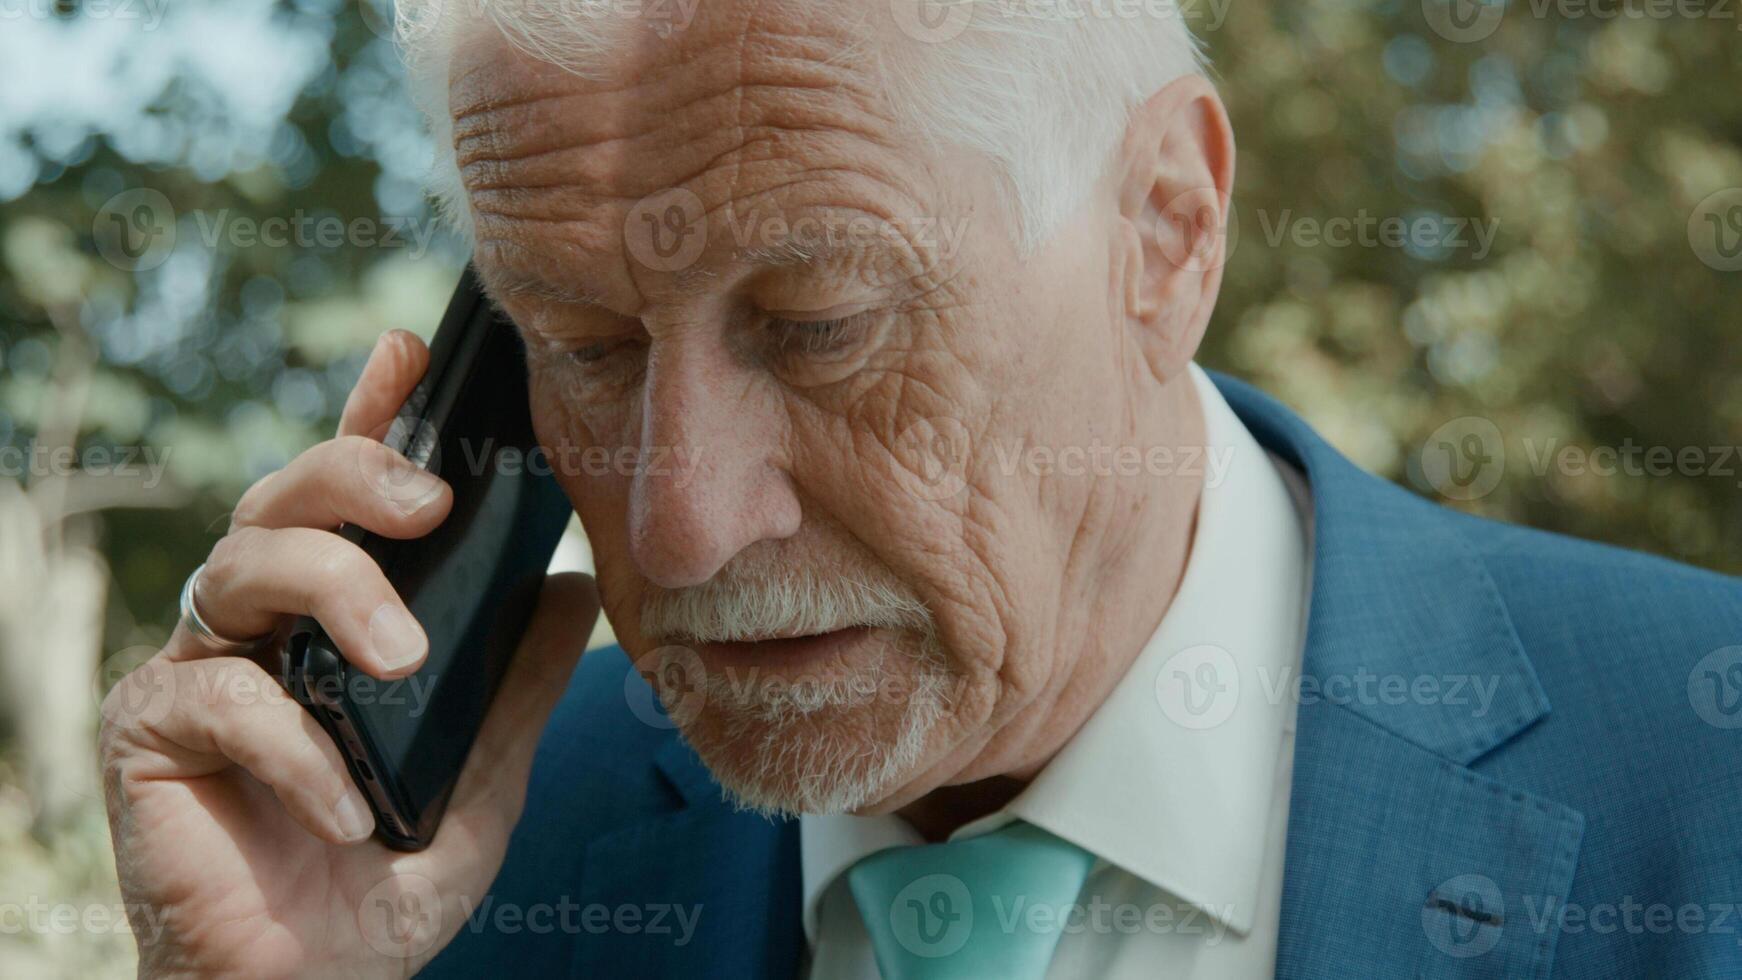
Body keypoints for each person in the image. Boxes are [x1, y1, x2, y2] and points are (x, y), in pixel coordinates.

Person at [102, 2, 1742, 977]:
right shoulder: (456, 884)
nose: (678, 526)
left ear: (1164, 231)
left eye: (818, 326)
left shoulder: (1701, 791)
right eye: (582, 348)